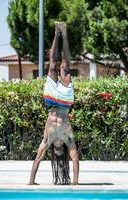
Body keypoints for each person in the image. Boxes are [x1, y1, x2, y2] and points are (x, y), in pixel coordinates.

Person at [28, 22, 79, 185]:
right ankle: (63, 33)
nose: (57, 148)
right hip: (64, 101)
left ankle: (57, 33)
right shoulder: (68, 138)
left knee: (51, 66)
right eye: (59, 149)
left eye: (54, 150)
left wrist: (31, 181)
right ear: (62, 148)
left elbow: (37, 158)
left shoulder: (46, 139)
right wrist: (76, 181)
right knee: (65, 66)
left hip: (50, 101)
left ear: (52, 148)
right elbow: (75, 157)